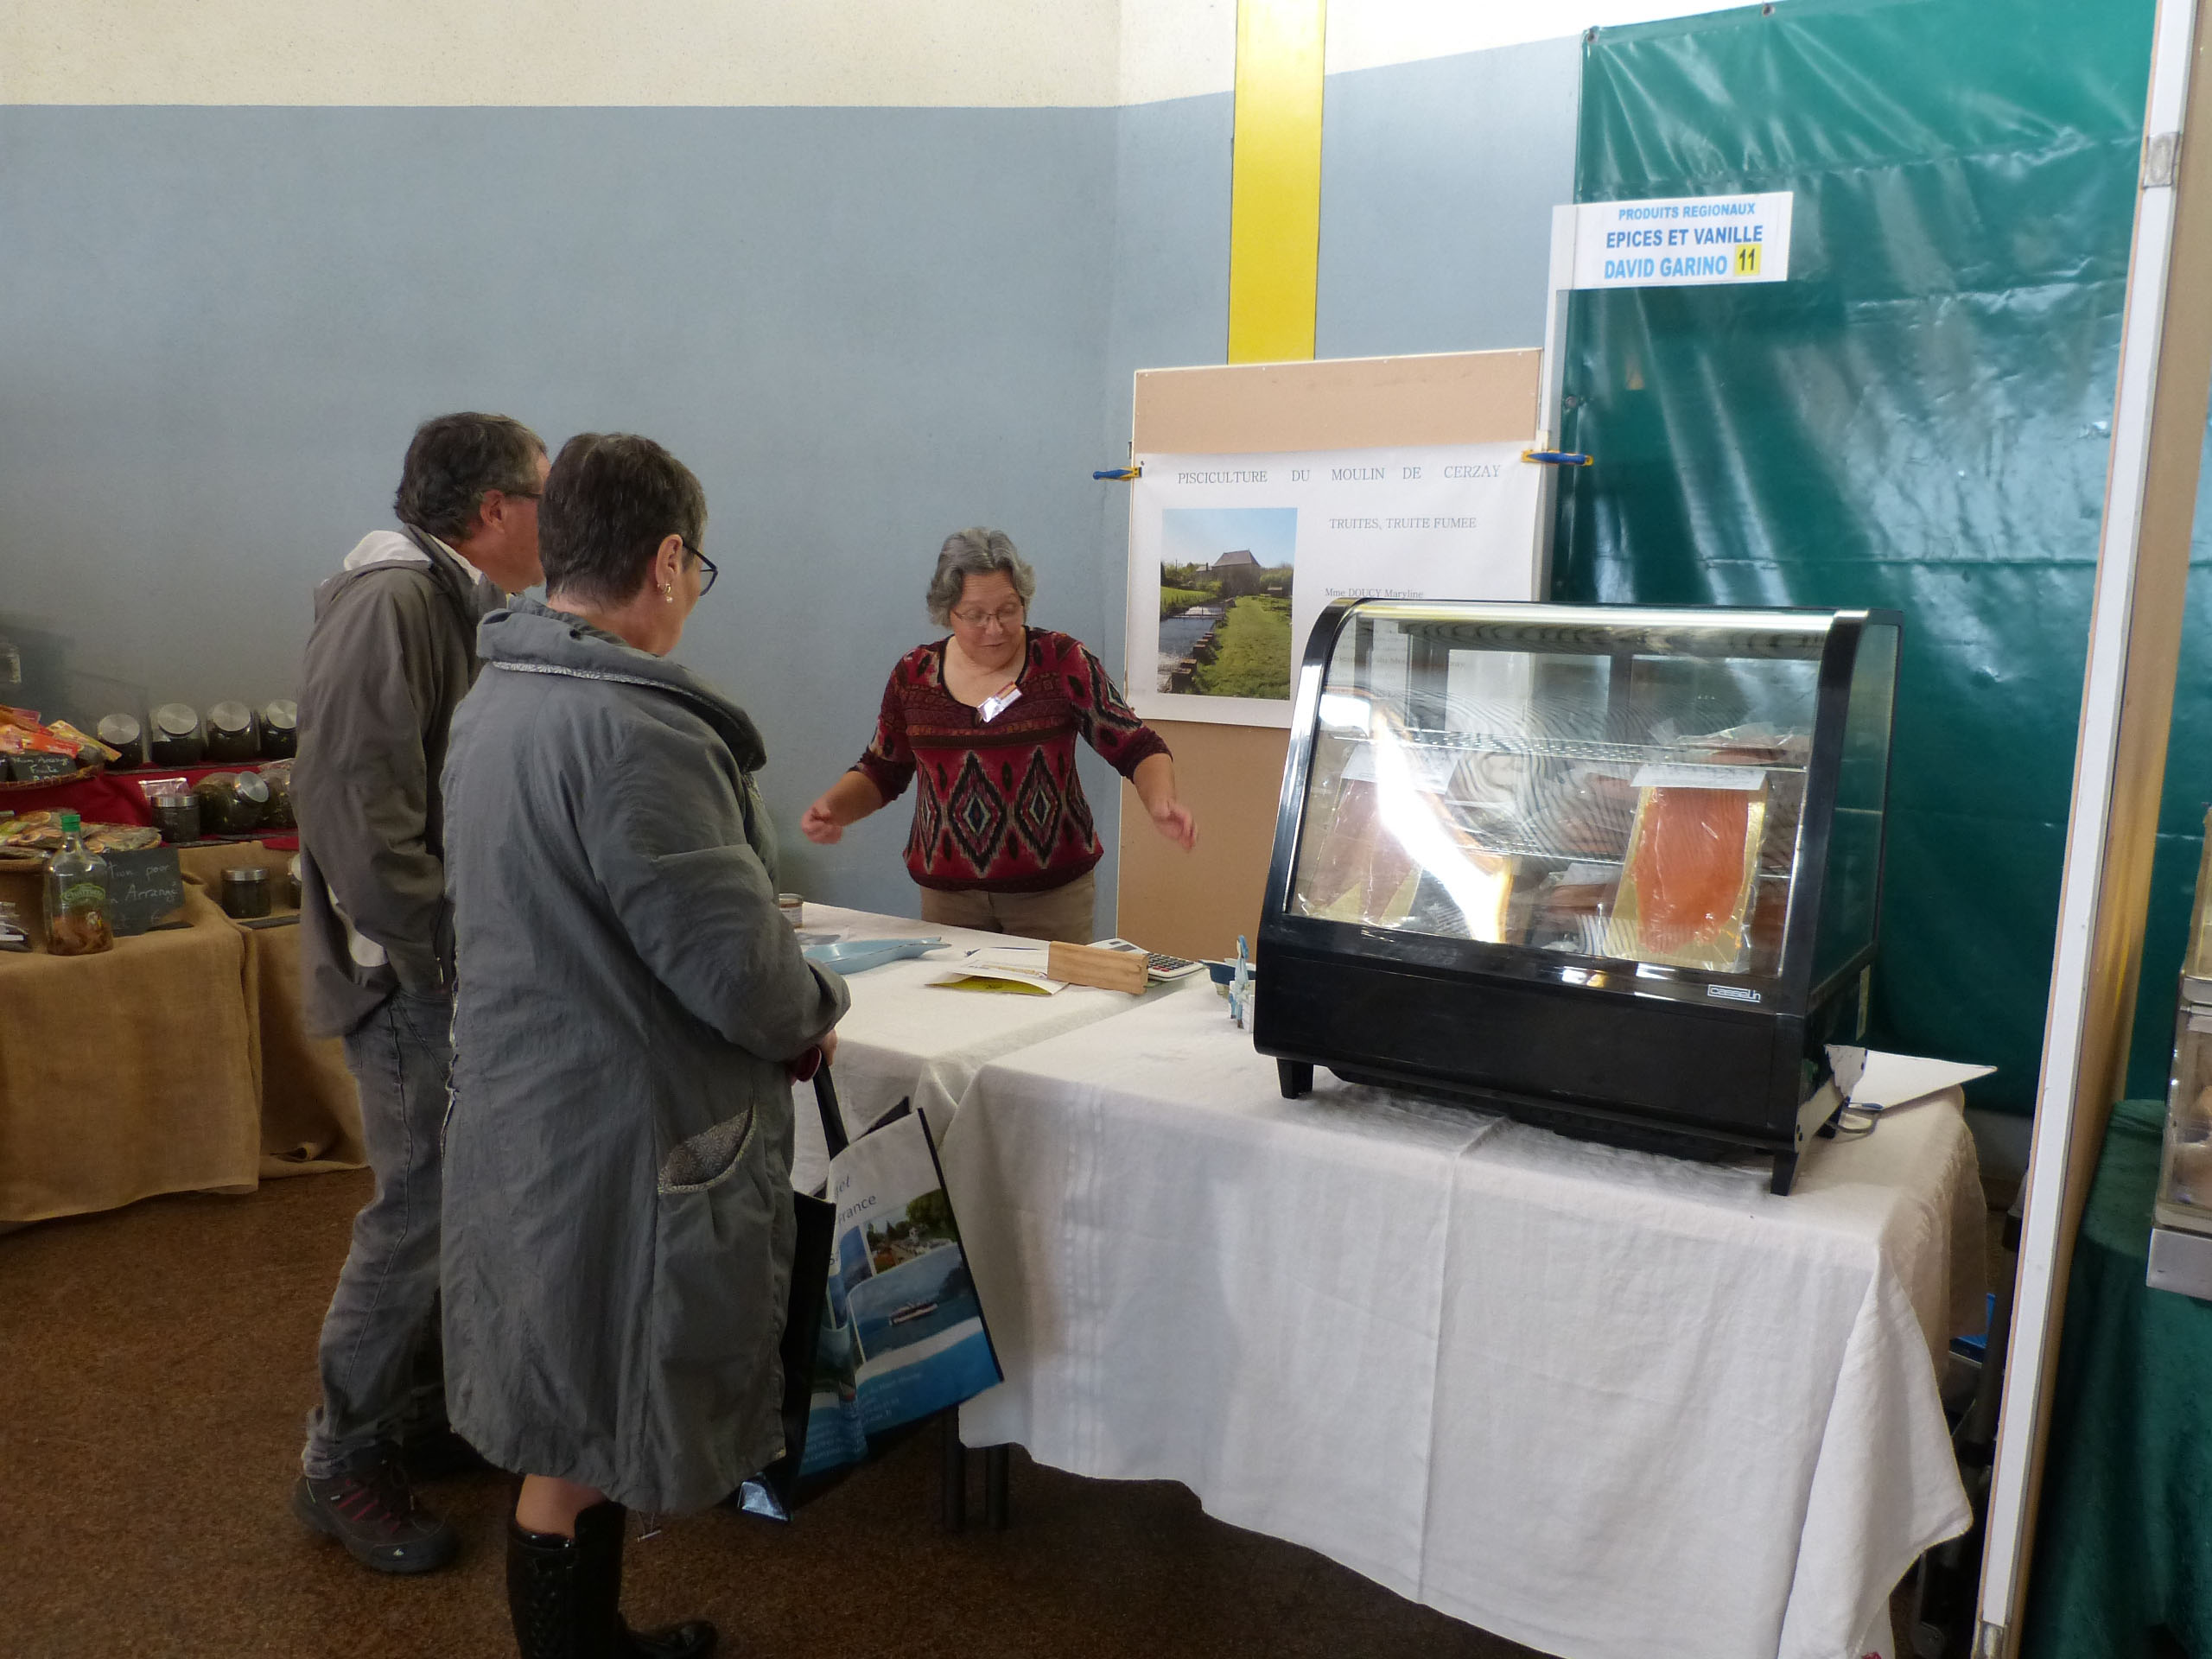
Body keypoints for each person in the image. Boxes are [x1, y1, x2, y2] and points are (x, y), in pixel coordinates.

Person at [438, 433, 848, 1658]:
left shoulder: (497, 698)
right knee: (590, 1418)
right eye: (696, 568)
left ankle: (594, 1638)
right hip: (623, 1130)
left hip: (528, 1108)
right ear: (668, 560)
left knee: (576, 1408)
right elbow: (740, 972)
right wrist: (813, 1006)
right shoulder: (641, 732)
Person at [290, 411, 548, 1573]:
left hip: (438, 962)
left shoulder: (453, 598)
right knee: (415, 1209)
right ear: (491, 510)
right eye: (543, 495)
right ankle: (339, 1457)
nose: (558, 516)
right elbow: (358, 813)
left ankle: (416, 1414)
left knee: (452, 1202)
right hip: (405, 974)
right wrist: (444, 955)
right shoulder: (394, 600)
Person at [800, 526, 1195, 943]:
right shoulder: (913, 675)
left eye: (1008, 609)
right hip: (947, 898)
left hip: (1051, 897)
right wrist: (835, 807)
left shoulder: (1062, 662)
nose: (995, 629)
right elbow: (883, 768)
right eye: (975, 616)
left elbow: (1137, 744)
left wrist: (1160, 801)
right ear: (946, 611)